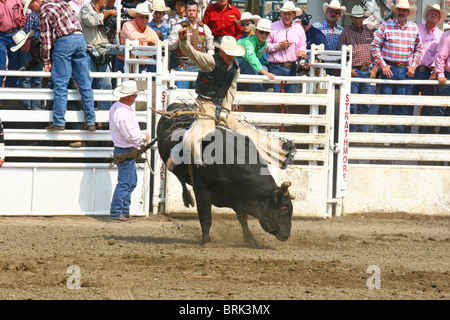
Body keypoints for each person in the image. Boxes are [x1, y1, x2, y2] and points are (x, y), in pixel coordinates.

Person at [165, 30, 294, 172]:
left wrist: (226, 109)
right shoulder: (210, 61)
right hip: (205, 104)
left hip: (221, 106)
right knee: (203, 131)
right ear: (221, 52)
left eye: (233, 54)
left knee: (244, 131)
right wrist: (184, 42)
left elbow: (231, 88)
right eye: (229, 53)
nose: (231, 57)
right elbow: (193, 54)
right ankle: (179, 152)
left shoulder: (235, 68)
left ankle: (279, 153)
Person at [28, 0, 96, 132]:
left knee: (60, 83)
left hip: (64, 41)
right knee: (85, 83)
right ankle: (91, 121)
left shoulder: (44, 11)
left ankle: (59, 121)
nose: (33, 10)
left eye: (32, 6)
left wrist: (47, 62)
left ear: (37, 1)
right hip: (80, 38)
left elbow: (45, 39)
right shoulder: (60, 2)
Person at [370, 0, 423, 134]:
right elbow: (374, 47)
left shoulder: (414, 27)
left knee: (402, 104)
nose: (401, 12)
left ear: (408, 13)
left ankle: (397, 137)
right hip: (389, 68)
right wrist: (383, 65)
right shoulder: (385, 26)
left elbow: (419, 48)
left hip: (405, 70)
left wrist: (413, 66)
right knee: (385, 103)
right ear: (396, 11)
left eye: (404, 10)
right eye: (399, 10)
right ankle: (382, 135)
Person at [109, 80, 150, 222]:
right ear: (130, 96)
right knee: (126, 183)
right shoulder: (123, 112)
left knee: (129, 182)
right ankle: (117, 213)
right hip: (125, 150)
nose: (135, 99)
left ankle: (123, 212)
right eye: (135, 96)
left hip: (124, 150)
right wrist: (144, 137)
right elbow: (131, 136)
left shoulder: (117, 108)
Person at [338, 5, 377, 133]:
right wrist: (348, 70)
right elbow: (341, 54)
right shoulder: (346, 33)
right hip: (354, 71)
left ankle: (361, 133)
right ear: (352, 18)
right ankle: (352, 134)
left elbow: (375, 52)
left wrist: (374, 69)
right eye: (355, 18)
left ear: (363, 18)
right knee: (353, 104)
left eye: (360, 18)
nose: (357, 20)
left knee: (364, 104)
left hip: (366, 71)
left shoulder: (368, 32)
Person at [167, 0, 213, 89]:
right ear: (186, 11)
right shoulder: (178, 27)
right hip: (183, 65)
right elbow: (169, 46)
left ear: (198, 12)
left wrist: (207, 60)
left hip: (200, 66)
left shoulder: (205, 28)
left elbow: (210, 47)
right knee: (180, 94)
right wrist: (178, 41)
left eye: (194, 10)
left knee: (200, 95)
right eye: (189, 10)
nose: (191, 13)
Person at [80, 0, 116, 111]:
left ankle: (105, 119)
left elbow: (103, 34)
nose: (107, 1)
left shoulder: (104, 11)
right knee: (87, 84)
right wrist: (107, 14)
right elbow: (91, 21)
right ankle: (86, 116)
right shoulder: (85, 9)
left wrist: (111, 32)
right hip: (88, 51)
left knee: (106, 85)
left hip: (103, 52)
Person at [414, 4, 445, 134]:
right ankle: (403, 133)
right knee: (406, 103)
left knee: (427, 104)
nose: (433, 15)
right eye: (431, 13)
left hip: (429, 73)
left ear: (439, 19)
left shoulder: (441, 35)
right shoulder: (415, 29)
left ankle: (423, 134)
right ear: (426, 15)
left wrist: (434, 72)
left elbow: (440, 55)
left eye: (436, 14)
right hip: (412, 70)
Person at [266, 1, 306, 93]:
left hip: (292, 67)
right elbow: (265, 47)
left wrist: (302, 52)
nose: (286, 16)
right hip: (275, 67)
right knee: (275, 97)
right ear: (281, 14)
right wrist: (279, 46)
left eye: (289, 14)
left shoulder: (299, 28)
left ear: (294, 15)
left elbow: (302, 45)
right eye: (284, 14)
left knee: (290, 97)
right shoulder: (272, 27)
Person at [116, 2, 159, 73]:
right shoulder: (127, 25)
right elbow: (132, 36)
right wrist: (149, 40)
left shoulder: (150, 31)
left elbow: (156, 42)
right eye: (142, 17)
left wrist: (152, 43)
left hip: (142, 64)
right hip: (124, 61)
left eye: (146, 17)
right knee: (123, 83)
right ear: (135, 17)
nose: (144, 20)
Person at [236, 18, 275, 92]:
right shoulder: (248, 42)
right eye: (261, 32)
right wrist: (265, 72)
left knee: (263, 68)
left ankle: (257, 89)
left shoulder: (264, 43)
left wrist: (264, 71)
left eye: (266, 33)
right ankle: (259, 90)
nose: (264, 35)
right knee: (248, 64)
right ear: (256, 31)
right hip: (234, 64)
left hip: (241, 66)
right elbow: (251, 57)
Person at [0, 0, 26, 88]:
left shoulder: (16, 0)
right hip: (1, 35)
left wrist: (22, 25)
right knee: (1, 65)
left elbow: (24, 13)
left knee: (15, 63)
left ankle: (10, 88)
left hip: (16, 33)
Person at [434, 29, 450, 134]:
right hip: (447, 75)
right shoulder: (448, 36)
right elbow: (441, 56)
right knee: (442, 107)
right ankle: (441, 136)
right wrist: (440, 74)